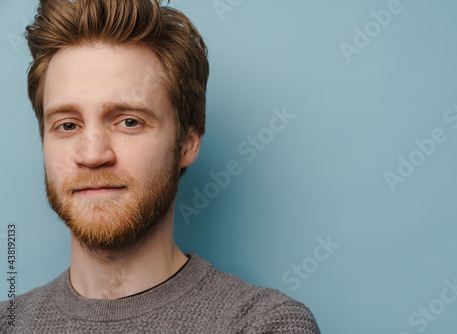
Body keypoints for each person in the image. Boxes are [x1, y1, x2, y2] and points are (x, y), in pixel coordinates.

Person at [0, 0, 320, 332]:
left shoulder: (264, 324)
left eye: (128, 122)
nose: (92, 155)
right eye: (67, 125)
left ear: (187, 144)